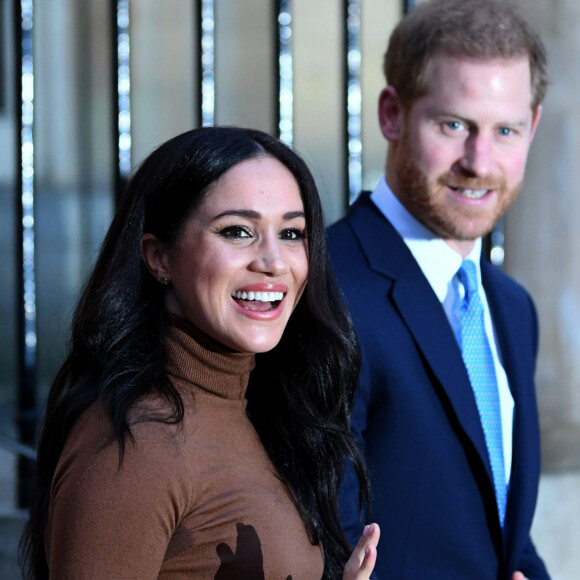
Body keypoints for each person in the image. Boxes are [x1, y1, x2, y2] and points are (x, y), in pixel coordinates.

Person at [19, 126, 380, 579]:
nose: (272, 261)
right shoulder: (136, 444)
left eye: (291, 233)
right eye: (237, 231)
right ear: (159, 258)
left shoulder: (259, 412)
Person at [327, 0, 550, 578]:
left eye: (506, 130)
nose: (480, 161)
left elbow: (502, 531)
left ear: (534, 127)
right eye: (453, 125)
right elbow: (325, 541)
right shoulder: (325, 287)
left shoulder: (511, 308)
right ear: (392, 114)